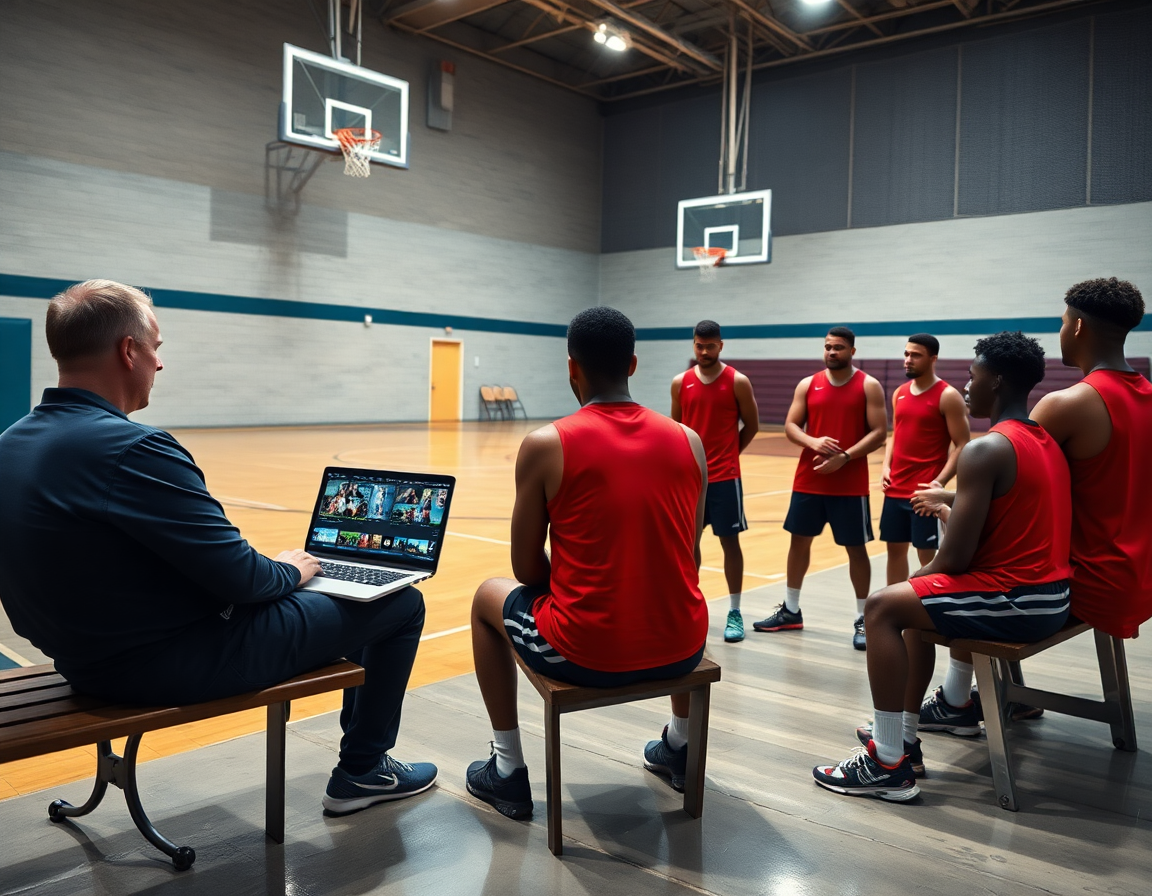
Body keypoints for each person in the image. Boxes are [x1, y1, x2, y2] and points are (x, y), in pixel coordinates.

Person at [0, 280, 436, 817]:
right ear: (129, 350)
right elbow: (242, 579)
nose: (159, 364)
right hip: (166, 664)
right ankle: (364, 771)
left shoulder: (11, 443)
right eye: (155, 348)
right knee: (399, 603)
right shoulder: (133, 448)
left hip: (79, 659)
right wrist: (289, 570)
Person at [464, 306, 710, 818]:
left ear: (571, 367)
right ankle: (680, 744)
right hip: (684, 642)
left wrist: (588, 583)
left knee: (487, 594)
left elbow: (526, 568)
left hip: (589, 651)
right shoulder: (690, 442)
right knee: (674, 590)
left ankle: (507, 770)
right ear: (634, 365)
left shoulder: (546, 444)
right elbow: (691, 555)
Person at [813, 332, 1071, 801]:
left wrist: (914, 579)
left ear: (996, 380)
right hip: (1051, 594)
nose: (966, 385)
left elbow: (954, 561)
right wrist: (951, 519)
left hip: (1022, 600)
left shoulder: (985, 449)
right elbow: (1006, 525)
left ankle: (887, 764)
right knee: (910, 609)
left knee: (882, 608)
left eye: (973, 376)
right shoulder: (1043, 440)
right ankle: (905, 741)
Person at [907, 278, 1152, 735]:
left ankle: (955, 700)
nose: (1060, 330)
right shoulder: (1147, 395)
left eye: (1062, 322)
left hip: (1086, 582)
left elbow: (1013, 480)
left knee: (972, 561)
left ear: (1077, 327)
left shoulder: (1068, 403)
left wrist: (950, 506)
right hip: (1138, 577)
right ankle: (984, 698)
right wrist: (948, 497)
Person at [754, 327, 887, 650]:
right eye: (827, 347)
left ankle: (862, 618)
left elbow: (880, 432)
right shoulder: (808, 384)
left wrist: (845, 457)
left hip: (850, 485)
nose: (831, 352)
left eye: (838, 348)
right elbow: (790, 426)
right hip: (809, 480)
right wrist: (812, 440)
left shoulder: (868, 385)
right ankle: (791, 610)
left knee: (856, 550)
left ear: (852, 351)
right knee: (798, 544)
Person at [671, 320, 761, 643]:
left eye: (710, 346)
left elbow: (752, 425)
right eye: (699, 345)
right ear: (693, 344)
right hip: (690, 480)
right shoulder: (680, 383)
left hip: (725, 478)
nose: (704, 351)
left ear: (721, 346)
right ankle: (688, 608)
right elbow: (675, 429)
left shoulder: (737, 381)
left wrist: (730, 454)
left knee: (729, 544)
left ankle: (734, 611)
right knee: (686, 545)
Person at [880, 334, 969, 585]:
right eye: (906, 354)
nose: (908, 360)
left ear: (933, 358)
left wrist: (938, 483)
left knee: (927, 558)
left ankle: (929, 613)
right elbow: (895, 434)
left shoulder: (948, 396)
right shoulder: (899, 393)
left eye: (915, 355)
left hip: (923, 494)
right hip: (895, 491)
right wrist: (886, 465)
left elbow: (962, 444)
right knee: (894, 553)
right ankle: (893, 608)